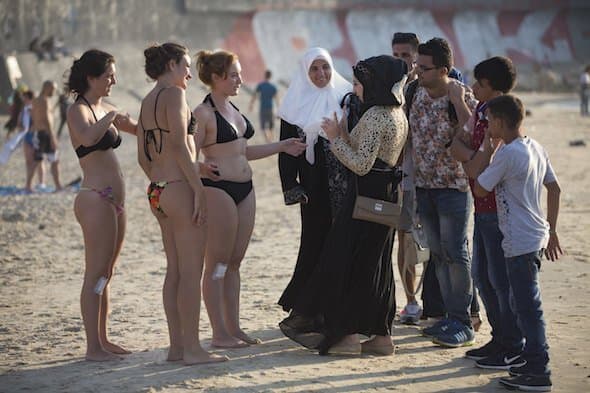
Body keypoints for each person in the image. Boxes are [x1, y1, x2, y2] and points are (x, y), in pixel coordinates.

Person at [286, 55, 408, 356]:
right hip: (386, 197)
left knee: (350, 265)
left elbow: (360, 164)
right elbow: (367, 150)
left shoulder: (376, 115)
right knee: (376, 267)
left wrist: (333, 140)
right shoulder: (397, 112)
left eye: (358, 83)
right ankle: (381, 338)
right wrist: (341, 133)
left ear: (373, 83)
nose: (353, 89)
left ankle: (348, 338)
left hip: (365, 200)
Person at [193, 50, 305, 348]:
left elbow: (244, 152)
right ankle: (219, 333)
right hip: (217, 191)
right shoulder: (203, 114)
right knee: (216, 264)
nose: (240, 80)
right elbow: (183, 156)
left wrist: (282, 146)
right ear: (216, 78)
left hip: (245, 189)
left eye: (239, 74)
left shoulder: (233, 109)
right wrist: (200, 167)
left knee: (233, 264)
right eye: (233, 75)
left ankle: (234, 328)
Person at [136, 43, 227, 365]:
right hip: (178, 189)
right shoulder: (174, 95)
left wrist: (162, 179)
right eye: (186, 66)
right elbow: (178, 142)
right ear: (172, 64)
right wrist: (197, 190)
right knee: (191, 273)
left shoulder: (148, 100)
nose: (189, 73)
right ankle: (192, 349)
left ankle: (177, 348)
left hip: (157, 190)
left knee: (174, 270)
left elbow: (142, 155)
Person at [472, 94, 561, 392]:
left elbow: (481, 186)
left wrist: (487, 148)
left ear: (499, 121)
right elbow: (555, 188)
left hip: (520, 240)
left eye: (489, 122)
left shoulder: (509, 153)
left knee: (527, 306)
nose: (486, 126)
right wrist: (554, 230)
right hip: (536, 235)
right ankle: (530, 358)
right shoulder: (535, 146)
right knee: (521, 301)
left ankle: (538, 368)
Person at [391, 32, 481, 327]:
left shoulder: (461, 93)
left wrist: (458, 102)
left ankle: (462, 319)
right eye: (417, 65)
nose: (416, 70)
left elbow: (477, 135)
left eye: (424, 67)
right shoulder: (415, 92)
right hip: (423, 188)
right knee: (439, 256)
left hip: (453, 188)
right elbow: (408, 138)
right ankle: (446, 316)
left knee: (456, 254)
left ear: (443, 70)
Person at [450, 57, 525, 369]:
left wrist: (472, 160)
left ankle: (513, 343)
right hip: (481, 208)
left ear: (493, 86)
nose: (474, 88)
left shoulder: (502, 118)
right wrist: (473, 158)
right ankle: (500, 337)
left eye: (479, 83)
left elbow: (482, 168)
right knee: (482, 275)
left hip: (499, 209)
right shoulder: (481, 112)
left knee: (500, 280)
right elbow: (456, 145)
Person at [65, 49, 137, 361]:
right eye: (108, 75)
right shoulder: (78, 110)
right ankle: (92, 347)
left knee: (107, 272)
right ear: (91, 78)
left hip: (115, 202)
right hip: (94, 197)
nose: (114, 80)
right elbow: (86, 138)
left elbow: (141, 129)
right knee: (95, 272)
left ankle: (103, 340)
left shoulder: (104, 106)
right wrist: (110, 116)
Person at [275, 47, 351, 335]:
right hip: (313, 185)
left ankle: (336, 308)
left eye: (325, 68)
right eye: (314, 69)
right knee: (314, 244)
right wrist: (292, 187)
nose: (321, 74)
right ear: (305, 72)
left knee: (341, 243)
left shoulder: (345, 96)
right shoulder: (293, 104)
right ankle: (308, 309)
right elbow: (285, 151)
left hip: (343, 182)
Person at [27, 80, 62, 192]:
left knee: (37, 159)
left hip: (38, 133)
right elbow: (47, 120)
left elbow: (33, 115)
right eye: (53, 89)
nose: (54, 92)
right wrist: (52, 137)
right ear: (47, 88)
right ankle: (58, 186)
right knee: (54, 160)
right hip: (45, 134)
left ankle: (28, 185)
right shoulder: (45, 101)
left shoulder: (36, 100)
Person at [249, 70, 279, 142]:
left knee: (263, 126)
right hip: (271, 108)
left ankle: (267, 140)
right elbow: (277, 100)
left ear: (265, 76)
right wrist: (279, 110)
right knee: (271, 126)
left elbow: (254, 95)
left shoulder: (261, 85)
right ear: (270, 76)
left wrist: (251, 105)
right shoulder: (273, 87)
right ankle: (271, 139)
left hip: (263, 108)